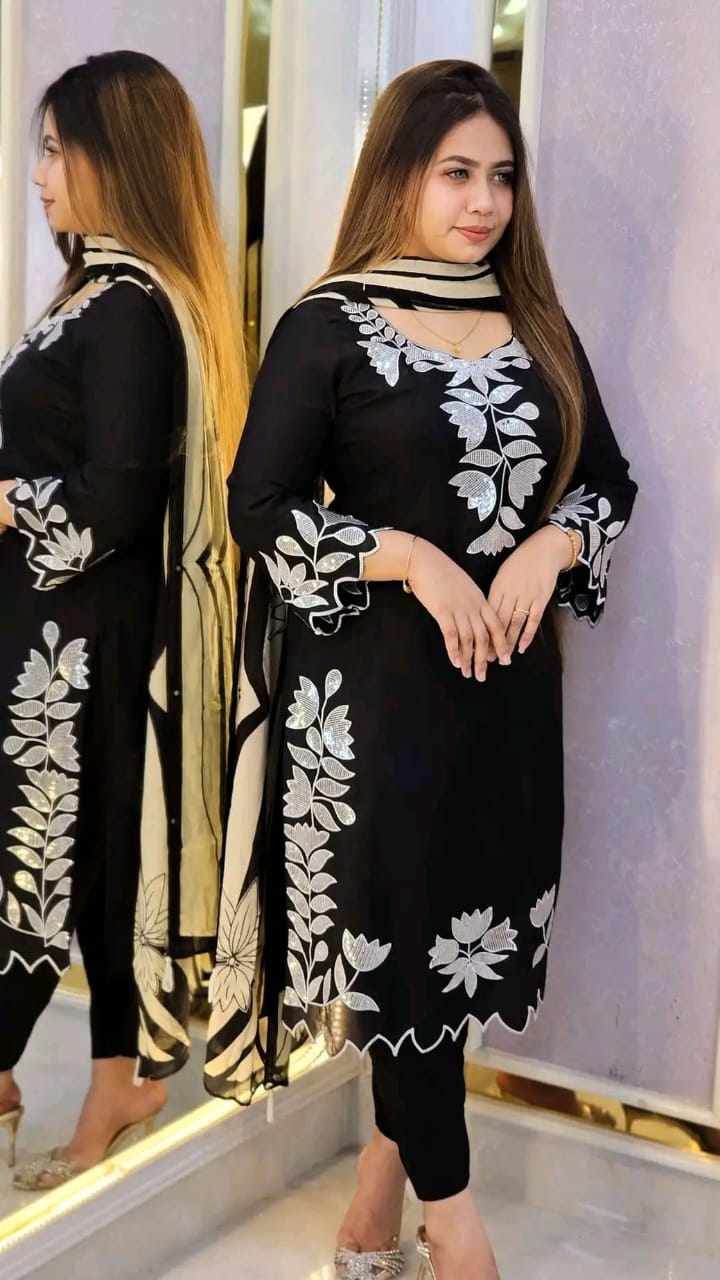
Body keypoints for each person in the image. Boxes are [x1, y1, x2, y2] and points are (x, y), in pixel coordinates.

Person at [206, 59, 637, 1280]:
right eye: (456, 172)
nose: (485, 201)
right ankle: (458, 1226)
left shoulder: (535, 324)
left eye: (502, 176)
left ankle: (381, 1173)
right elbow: (259, 505)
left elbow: (608, 482)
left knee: (451, 953)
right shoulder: (327, 325)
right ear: (398, 172)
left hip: (507, 705)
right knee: (398, 954)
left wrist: (551, 542)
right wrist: (407, 555)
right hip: (372, 707)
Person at [0, 50, 243, 1190]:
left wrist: (5, 501)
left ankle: (80, 1076)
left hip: (79, 646)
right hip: (48, 633)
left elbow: (114, 502)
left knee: (44, 862)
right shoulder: (92, 295)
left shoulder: (135, 309)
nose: (39, 174)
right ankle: (115, 1078)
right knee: (79, 860)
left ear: (117, 157)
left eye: (57, 150)